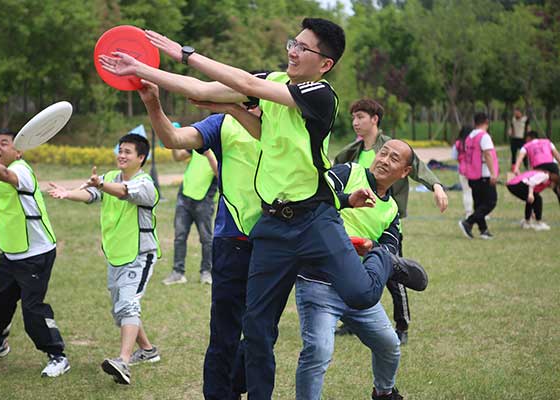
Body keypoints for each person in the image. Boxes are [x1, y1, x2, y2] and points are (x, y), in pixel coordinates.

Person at [99, 18, 428, 400]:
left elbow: (248, 87)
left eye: (304, 48)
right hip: (272, 227)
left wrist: (181, 54)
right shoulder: (271, 81)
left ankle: (384, 259)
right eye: (294, 43)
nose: (293, 50)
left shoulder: (322, 95)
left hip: (315, 220)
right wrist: (146, 74)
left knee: (360, 294)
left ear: (325, 64)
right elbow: (206, 90)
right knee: (256, 331)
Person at [137, 79, 262, 399]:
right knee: (224, 335)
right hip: (232, 240)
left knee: (263, 334)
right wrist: (153, 103)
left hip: (276, 243)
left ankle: (235, 383)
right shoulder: (222, 122)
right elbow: (174, 138)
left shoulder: (286, 124)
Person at [296, 139, 416, 400]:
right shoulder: (350, 172)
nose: (384, 160)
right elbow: (314, 197)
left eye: (394, 158)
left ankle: (384, 393)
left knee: (389, 345)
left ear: (405, 172)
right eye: (383, 153)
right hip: (319, 282)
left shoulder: (392, 209)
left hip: (358, 288)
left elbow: (390, 249)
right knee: (318, 351)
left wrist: (372, 249)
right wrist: (346, 209)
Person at [48, 134, 160, 385]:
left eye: (128, 152)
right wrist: (68, 193)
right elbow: (91, 196)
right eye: (120, 150)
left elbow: (122, 192)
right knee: (120, 308)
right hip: (116, 254)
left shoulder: (145, 183)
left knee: (128, 306)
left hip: (140, 255)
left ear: (141, 158)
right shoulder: (110, 177)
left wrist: (99, 185)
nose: (121, 155)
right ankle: (149, 351)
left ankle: (123, 361)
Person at [334, 99, 447, 344]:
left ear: (374, 119)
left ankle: (402, 325)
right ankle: (351, 321)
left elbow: (416, 166)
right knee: (350, 273)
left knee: (392, 276)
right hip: (350, 227)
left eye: (361, 117)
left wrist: (436, 186)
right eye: (353, 118)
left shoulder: (391, 148)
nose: (355, 123)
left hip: (381, 225)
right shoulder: (351, 151)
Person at [0, 129, 69, 377]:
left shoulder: (21, 169)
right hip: (11, 253)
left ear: (18, 151)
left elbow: (4, 175)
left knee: (32, 310)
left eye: (4, 143)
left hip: (37, 253)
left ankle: (58, 356)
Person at [163, 146, 217, 285]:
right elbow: (178, 157)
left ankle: (206, 272)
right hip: (184, 197)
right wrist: (172, 146)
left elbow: (219, 173)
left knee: (206, 239)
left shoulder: (221, 149)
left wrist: (209, 154)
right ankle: (178, 273)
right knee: (179, 237)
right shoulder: (199, 143)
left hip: (204, 200)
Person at [458, 113, 499, 240]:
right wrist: (493, 173)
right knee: (491, 202)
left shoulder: (470, 136)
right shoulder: (484, 136)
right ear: (487, 121)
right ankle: (468, 222)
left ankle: (483, 230)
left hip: (472, 174)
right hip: (484, 174)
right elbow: (487, 154)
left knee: (479, 203)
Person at [452, 126, 474, 218]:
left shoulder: (457, 143)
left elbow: (454, 156)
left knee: (466, 191)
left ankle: (468, 212)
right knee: (476, 191)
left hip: (463, 170)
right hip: (474, 169)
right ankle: (480, 211)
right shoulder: (473, 142)